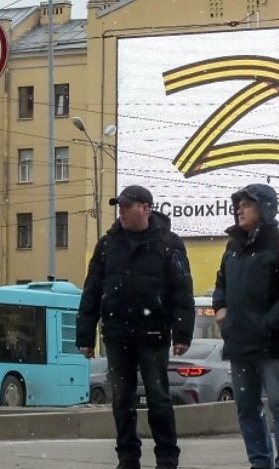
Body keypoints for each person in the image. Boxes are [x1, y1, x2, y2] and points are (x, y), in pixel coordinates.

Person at [76, 185, 194, 469]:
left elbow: (182, 290)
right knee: (122, 401)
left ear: (145, 208)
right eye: (119, 206)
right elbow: (91, 290)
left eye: (127, 206)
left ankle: (167, 458)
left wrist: (182, 333)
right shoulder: (107, 245)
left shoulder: (168, 243)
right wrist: (86, 335)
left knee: (159, 398)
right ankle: (128, 459)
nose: (122, 211)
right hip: (117, 334)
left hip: (153, 333)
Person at [212, 183, 279, 469]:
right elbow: (221, 284)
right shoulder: (233, 246)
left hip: (271, 345)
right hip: (239, 343)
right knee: (247, 408)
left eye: (247, 204)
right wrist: (221, 309)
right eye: (238, 204)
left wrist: (267, 323)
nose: (239, 209)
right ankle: (259, 463)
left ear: (264, 208)